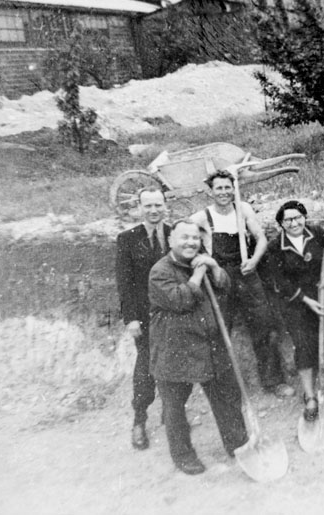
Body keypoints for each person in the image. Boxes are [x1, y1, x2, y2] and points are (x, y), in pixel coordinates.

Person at [148, 219, 248, 475]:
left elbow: (225, 285)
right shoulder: (160, 271)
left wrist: (214, 267)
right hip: (175, 350)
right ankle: (183, 456)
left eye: (195, 238)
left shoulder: (202, 261)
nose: (191, 242)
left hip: (209, 345)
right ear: (171, 241)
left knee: (226, 397)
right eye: (184, 238)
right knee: (174, 406)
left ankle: (237, 443)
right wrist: (199, 274)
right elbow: (180, 300)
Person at [190, 169, 294, 399]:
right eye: (219, 188)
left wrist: (254, 260)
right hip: (220, 278)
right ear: (211, 191)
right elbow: (183, 239)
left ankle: (273, 381)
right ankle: (224, 386)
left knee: (264, 324)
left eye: (228, 187)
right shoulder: (201, 218)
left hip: (247, 273)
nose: (225, 192)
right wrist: (205, 261)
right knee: (219, 330)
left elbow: (261, 239)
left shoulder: (243, 209)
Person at [265, 200, 324, 421]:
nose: (293, 223)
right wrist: (305, 299)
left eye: (297, 218)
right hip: (295, 302)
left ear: (304, 218)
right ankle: (310, 396)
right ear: (281, 224)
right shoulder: (276, 246)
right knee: (303, 345)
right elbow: (279, 281)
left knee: (323, 341)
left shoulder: (316, 233)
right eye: (288, 220)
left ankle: (321, 385)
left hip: (322, 294)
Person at [115, 186, 170, 450]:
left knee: (176, 365)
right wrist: (131, 319)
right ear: (139, 208)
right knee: (146, 367)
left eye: (158, 205)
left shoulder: (175, 235)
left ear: (165, 205)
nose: (154, 210)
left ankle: (171, 415)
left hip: (173, 314)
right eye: (148, 206)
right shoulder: (127, 239)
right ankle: (139, 420)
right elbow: (124, 283)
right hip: (145, 317)